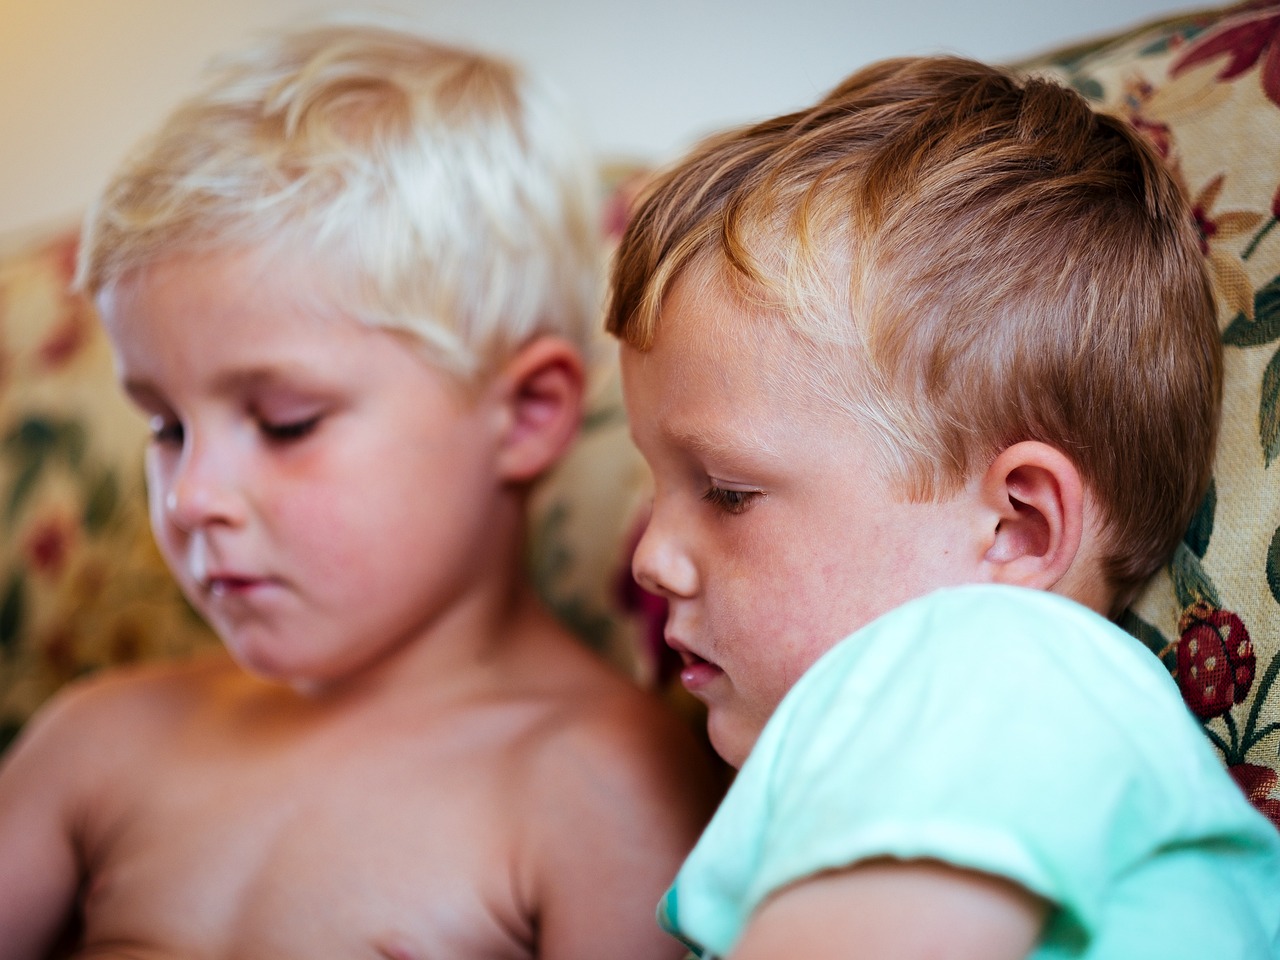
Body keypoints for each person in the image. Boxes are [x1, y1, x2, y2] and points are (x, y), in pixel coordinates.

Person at [0, 20, 722, 960]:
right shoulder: (98, 742)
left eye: (286, 422)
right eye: (165, 427)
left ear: (528, 413)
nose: (189, 499)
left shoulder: (597, 790)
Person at [608, 55, 1280, 959]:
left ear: (1016, 528)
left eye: (728, 494)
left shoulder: (988, 663)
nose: (651, 556)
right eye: (659, 484)